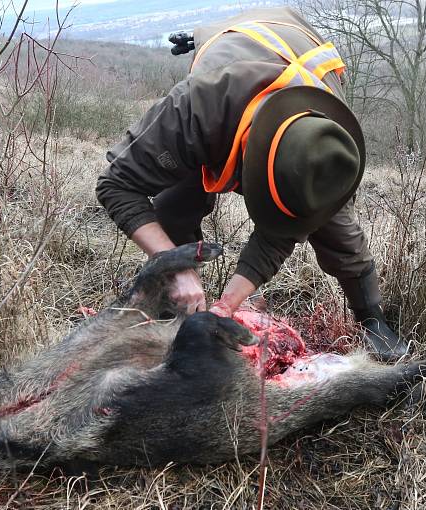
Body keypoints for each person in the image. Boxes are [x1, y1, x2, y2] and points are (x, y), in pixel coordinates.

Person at [96, 6, 408, 360]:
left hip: (294, 42)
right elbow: (115, 184)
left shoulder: (325, 149)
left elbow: (284, 229)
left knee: (338, 232)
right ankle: (182, 303)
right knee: (174, 205)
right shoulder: (198, 107)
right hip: (235, 52)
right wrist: (174, 264)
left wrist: (228, 304)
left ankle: (372, 317)